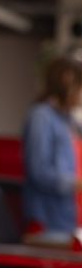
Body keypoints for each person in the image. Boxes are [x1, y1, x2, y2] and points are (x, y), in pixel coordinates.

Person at [22, 54, 82, 238]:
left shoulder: (70, 121)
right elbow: (39, 172)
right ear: (67, 81)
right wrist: (77, 184)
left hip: (69, 220)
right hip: (50, 222)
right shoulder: (42, 117)